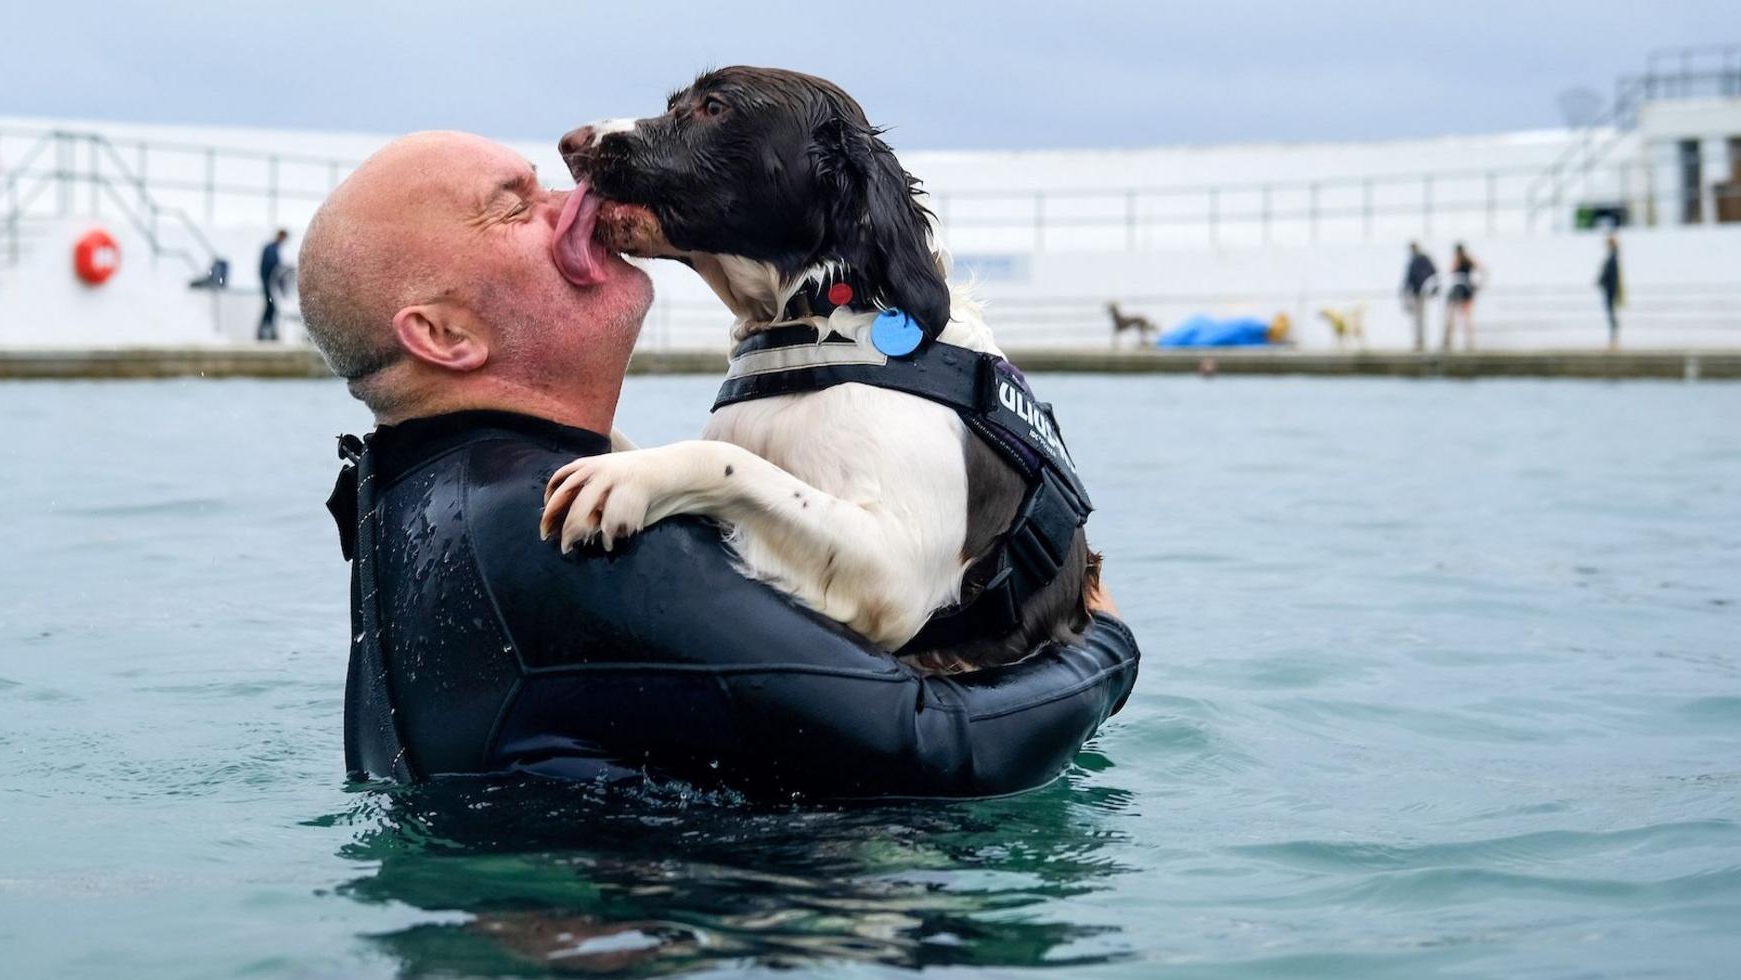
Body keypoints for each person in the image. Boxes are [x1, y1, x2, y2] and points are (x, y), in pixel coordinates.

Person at [301, 131, 1140, 800]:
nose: (573, 203)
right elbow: (945, 750)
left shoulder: (426, 494)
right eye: (515, 208)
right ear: (445, 336)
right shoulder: (568, 538)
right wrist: (1102, 646)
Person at [1440, 242, 1482, 350]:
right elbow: (1481, 269)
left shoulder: (1460, 260)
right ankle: (1464, 342)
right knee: (1460, 317)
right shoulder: (1468, 260)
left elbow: (1451, 271)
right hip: (1463, 289)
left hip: (1460, 289)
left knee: (1456, 316)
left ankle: (1453, 341)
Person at [1400, 240, 1438, 351]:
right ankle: (1419, 341)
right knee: (1418, 318)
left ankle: (1420, 341)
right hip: (1418, 292)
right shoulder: (1419, 260)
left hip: (1420, 292)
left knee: (1419, 318)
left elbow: (1410, 277)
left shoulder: (1419, 260)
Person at [255, 227, 291, 340]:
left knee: (271, 307)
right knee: (270, 307)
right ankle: (264, 331)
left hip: (269, 284)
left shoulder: (273, 249)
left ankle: (266, 331)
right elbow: (272, 268)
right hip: (269, 284)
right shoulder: (271, 249)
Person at [1598, 233, 1624, 348]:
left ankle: (1614, 340)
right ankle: (1613, 340)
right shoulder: (1612, 257)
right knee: (1611, 316)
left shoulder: (1613, 259)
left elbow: (1611, 277)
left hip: (1610, 291)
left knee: (1612, 316)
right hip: (1609, 291)